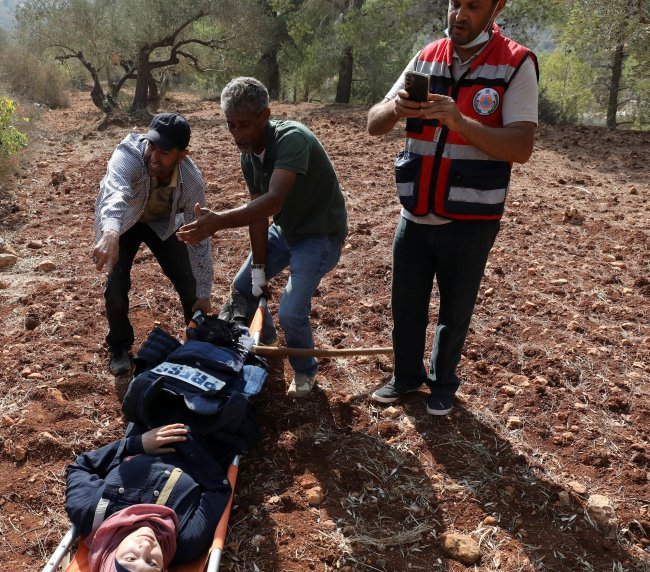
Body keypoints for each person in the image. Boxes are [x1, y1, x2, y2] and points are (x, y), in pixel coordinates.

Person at [365, 0, 537, 415]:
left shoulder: (516, 63)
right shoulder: (426, 57)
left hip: (471, 217)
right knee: (405, 304)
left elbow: (521, 146)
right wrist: (395, 109)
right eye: (454, 3)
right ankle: (406, 376)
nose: (459, 14)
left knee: (455, 308)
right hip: (415, 212)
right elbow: (373, 122)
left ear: (496, 8)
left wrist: (461, 122)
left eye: (472, 6)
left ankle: (443, 384)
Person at [178, 77, 347, 398]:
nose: (238, 134)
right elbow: (259, 213)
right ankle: (267, 342)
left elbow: (273, 201)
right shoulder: (248, 154)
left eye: (245, 124)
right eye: (231, 125)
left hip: (320, 236)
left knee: (291, 312)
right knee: (245, 288)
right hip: (285, 231)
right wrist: (258, 270)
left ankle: (305, 371)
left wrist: (218, 222)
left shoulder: (292, 139)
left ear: (266, 116)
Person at [65, 422, 232, 572]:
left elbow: (80, 466)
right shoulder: (185, 540)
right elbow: (218, 489)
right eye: (152, 562)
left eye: (131, 558)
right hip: (209, 435)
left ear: (110, 559)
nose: (145, 547)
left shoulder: (90, 513)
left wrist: (138, 444)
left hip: (151, 418)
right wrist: (186, 441)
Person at [93, 112, 214, 375]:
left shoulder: (192, 181)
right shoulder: (128, 155)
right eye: (152, 145)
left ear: (182, 155)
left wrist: (204, 293)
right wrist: (111, 232)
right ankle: (119, 346)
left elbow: (198, 236)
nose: (154, 156)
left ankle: (196, 343)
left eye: (165, 151)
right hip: (124, 223)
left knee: (189, 282)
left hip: (163, 224)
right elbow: (116, 194)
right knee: (116, 283)